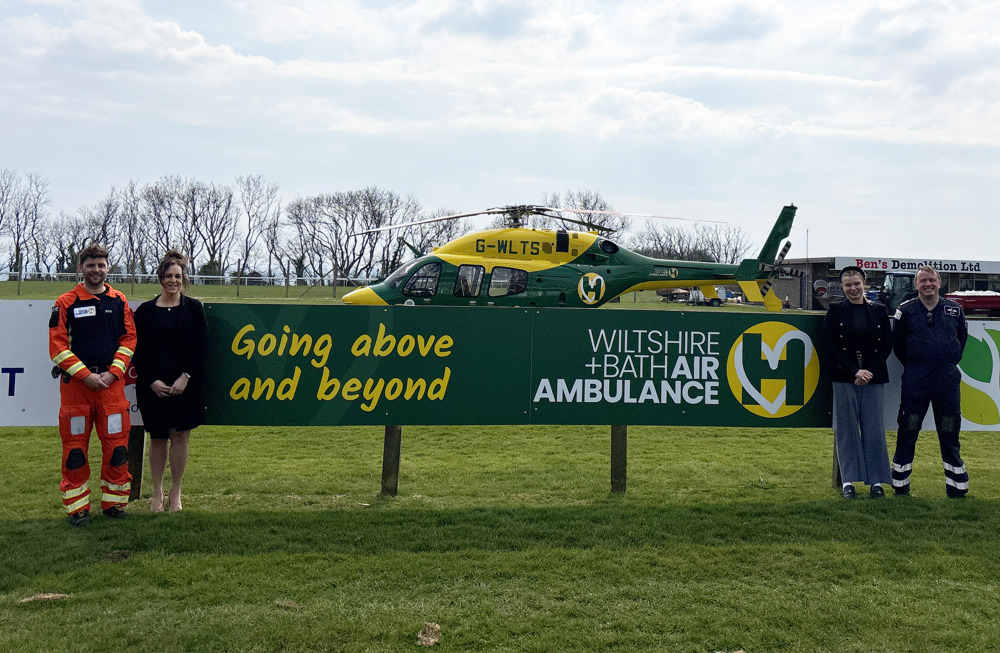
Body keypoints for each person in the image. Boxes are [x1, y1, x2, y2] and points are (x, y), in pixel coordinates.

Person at [49, 244, 137, 527]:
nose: (96, 270)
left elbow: (129, 340)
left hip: (111, 387)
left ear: (108, 268)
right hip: (76, 388)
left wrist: (113, 373)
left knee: (117, 449)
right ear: (81, 268)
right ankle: (77, 509)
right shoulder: (65, 302)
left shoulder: (119, 300)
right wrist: (86, 375)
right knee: (75, 452)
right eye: (90, 265)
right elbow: (58, 348)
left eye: (101, 265)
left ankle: (114, 504)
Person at [132, 250, 208, 512]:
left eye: (178, 276)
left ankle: (176, 493)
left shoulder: (194, 308)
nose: (173, 280)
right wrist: (151, 380)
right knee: (157, 438)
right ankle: (156, 493)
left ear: (184, 278)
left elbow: (201, 348)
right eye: (168, 276)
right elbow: (136, 351)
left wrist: (185, 377)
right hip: (153, 386)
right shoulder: (144, 312)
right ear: (160, 279)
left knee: (180, 438)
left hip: (185, 385)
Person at [890, 265, 969, 497]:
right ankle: (900, 485)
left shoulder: (955, 310)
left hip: (946, 379)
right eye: (922, 280)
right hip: (916, 379)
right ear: (915, 285)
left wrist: (944, 360)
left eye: (931, 280)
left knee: (949, 431)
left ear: (939, 282)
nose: (927, 284)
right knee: (909, 429)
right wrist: (918, 365)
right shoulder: (905, 311)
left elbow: (961, 341)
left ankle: (956, 487)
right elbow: (898, 345)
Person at [824, 266, 893, 499]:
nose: (852, 288)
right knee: (847, 429)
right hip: (845, 376)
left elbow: (886, 345)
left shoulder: (879, 310)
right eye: (847, 285)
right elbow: (830, 345)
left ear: (865, 284)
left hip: (873, 377)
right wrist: (854, 370)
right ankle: (848, 482)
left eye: (856, 283)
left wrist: (868, 371)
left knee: (874, 429)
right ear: (842, 287)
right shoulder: (835, 311)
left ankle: (876, 482)